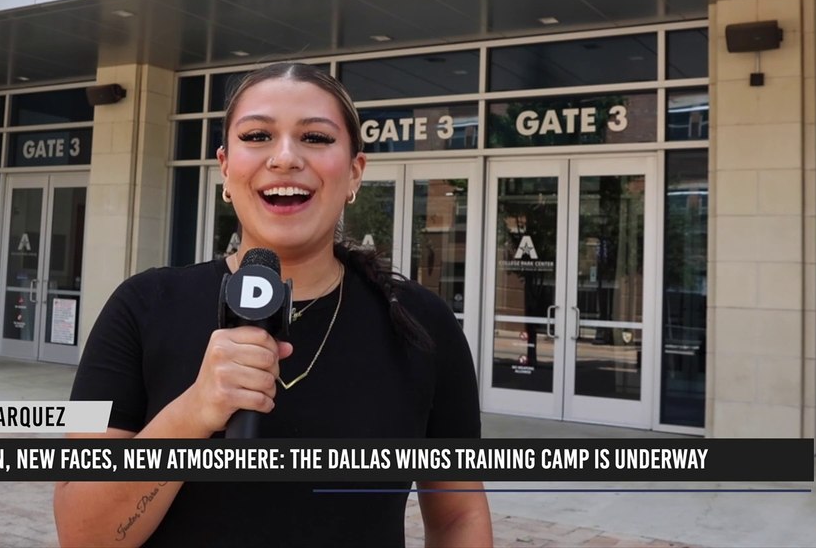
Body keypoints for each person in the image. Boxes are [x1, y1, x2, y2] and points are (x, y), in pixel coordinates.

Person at [53, 62, 491, 547]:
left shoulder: (423, 325)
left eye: (317, 139)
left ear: (354, 172)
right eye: (258, 135)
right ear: (224, 168)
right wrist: (193, 412)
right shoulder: (137, 307)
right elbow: (82, 535)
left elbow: (459, 516)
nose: (284, 158)